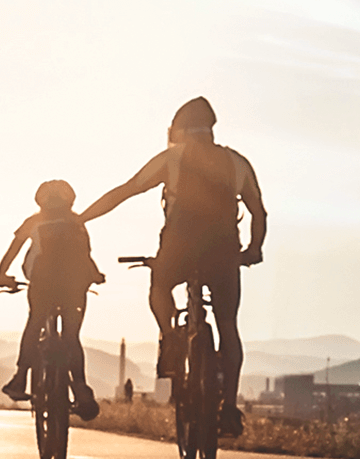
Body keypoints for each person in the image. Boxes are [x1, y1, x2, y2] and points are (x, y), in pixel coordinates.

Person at [79, 96, 266, 437]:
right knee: (227, 324)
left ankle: (169, 338)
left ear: (179, 130)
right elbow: (258, 212)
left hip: (180, 247)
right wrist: (254, 248)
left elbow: (125, 191)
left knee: (160, 286)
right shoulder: (238, 162)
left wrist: (82, 219)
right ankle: (228, 408)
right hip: (224, 252)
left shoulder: (173, 158)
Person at [0, 179, 104, 422]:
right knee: (72, 336)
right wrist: (95, 275)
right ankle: (81, 388)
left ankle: (20, 376)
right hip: (75, 285)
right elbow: (86, 255)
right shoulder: (77, 222)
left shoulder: (34, 222)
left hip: (42, 283)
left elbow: (13, 250)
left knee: (35, 322)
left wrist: (1, 275)